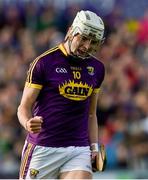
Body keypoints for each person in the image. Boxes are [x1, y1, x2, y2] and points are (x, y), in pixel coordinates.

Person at [17, 10, 106, 179]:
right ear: (71, 31)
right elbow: (23, 107)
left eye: (93, 41)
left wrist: (93, 147)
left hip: (78, 149)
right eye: (84, 38)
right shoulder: (44, 62)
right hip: (43, 147)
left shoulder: (98, 69)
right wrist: (28, 123)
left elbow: (91, 114)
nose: (87, 46)